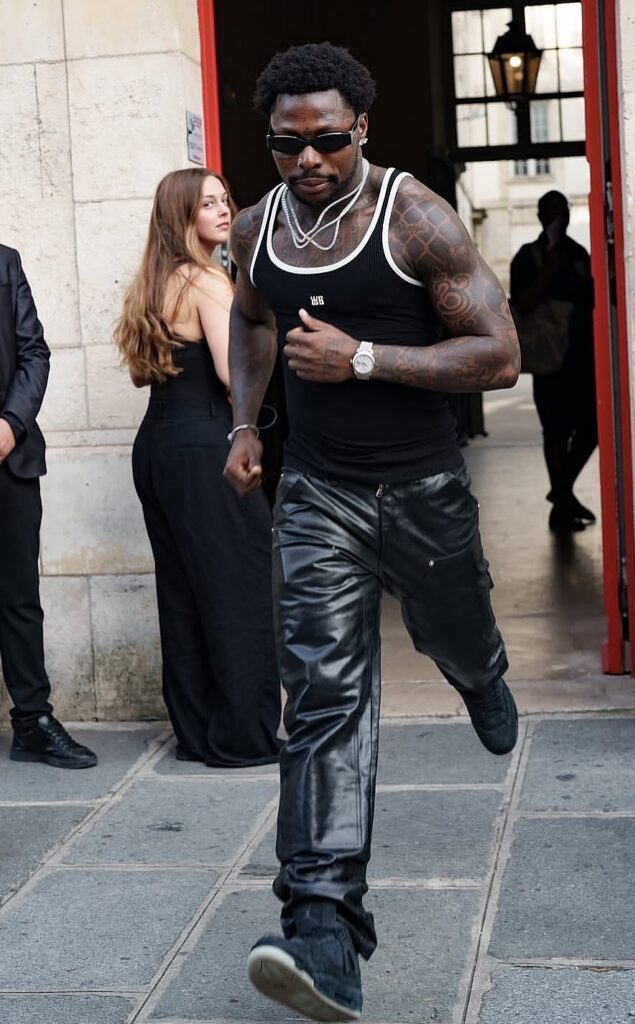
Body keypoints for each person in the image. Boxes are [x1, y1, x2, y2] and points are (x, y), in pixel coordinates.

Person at [222, 41, 520, 1023]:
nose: (308, 160)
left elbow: (499, 355)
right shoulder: (258, 226)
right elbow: (253, 321)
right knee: (323, 697)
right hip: (317, 494)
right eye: (287, 144)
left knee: (452, 630)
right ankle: (322, 927)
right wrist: (244, 425)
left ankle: (479, 672)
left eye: (328, 141)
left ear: (362, 129)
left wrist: (361, 359)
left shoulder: (415, 218)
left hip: (423, 490)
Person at [115, 169, 281, 768]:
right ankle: (242, 738)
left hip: (158, 446)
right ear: (181, 216)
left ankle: (197, 731)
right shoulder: (207, 280)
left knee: (183, 591)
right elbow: (233, 373)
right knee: (238, 585)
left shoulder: (152, 283)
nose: (223, 209)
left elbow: (145, 375)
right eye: (207, 203)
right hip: (207, 444)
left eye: (223, 199)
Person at [0, 247, 97, 769]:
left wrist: (10, 425)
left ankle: (32, 722)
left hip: (7, 457)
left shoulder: (5, 263)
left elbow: (34, 352)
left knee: (19, 597)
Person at [510, 191, 597, 532]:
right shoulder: (526, 257)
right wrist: (548, 270)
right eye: (552, 212)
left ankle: (561, 495)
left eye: (563, 211)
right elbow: (523, 305)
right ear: (539, 216)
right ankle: (563, 503)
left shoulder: (579, 255)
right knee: (556, 432)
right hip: (548, 361)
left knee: (591, 428)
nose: (558, 219)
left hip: (581, 359)